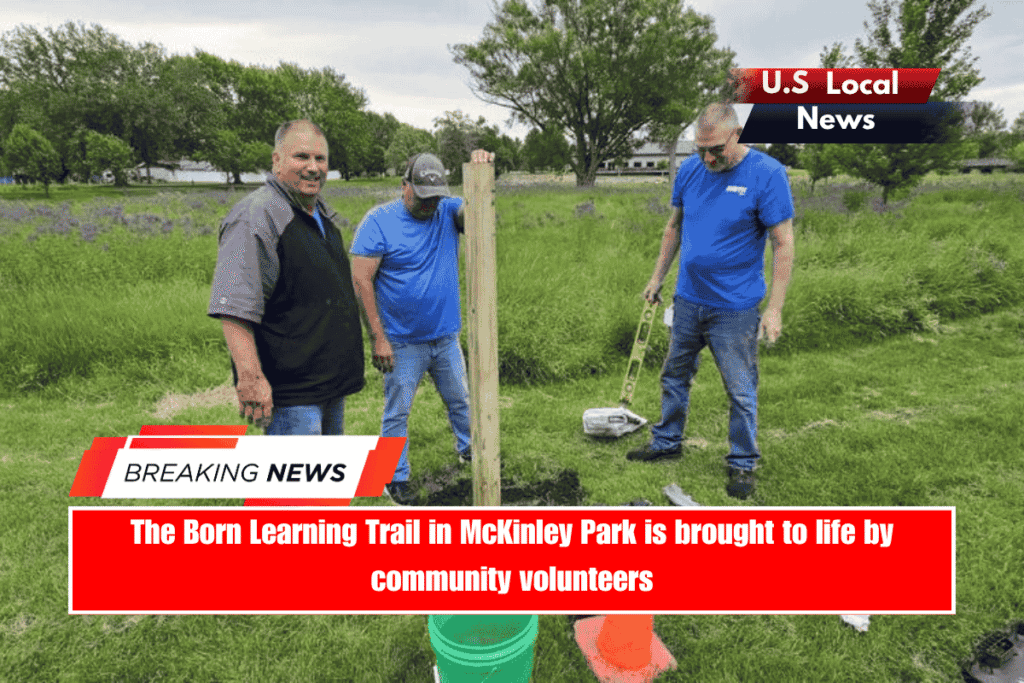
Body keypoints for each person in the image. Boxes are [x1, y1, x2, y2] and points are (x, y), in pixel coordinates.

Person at [627, 103, 795, 500]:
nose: (708, 158)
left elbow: (783, 242)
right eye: (700, 149)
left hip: (734, 308)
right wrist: (656, 278)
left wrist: (774, 308)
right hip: (688, 300)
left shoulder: (768, 174)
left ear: (738, 135)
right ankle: (667, 442)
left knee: (740, 388)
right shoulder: (690, 170)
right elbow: (674, 227)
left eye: (716, 149)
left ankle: (742, 462)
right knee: (673, 375)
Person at [351, 149, 494, 505]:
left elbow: (477, 215)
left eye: (436, 198)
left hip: (445, 337)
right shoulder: (378, 221)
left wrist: (482, 174)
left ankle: (470, 450)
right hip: (401, 342)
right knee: (397, 411)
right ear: (405, 186)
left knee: (461, 400)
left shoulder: (447, 210)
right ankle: (394, 476)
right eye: (423, 197)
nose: (430, 205)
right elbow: (360, 281)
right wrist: (378, 338)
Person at [208, 119, 364, 435]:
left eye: (320, 159)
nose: (313, 167)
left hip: (327, 385)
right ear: (277, 160)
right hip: (293, 396)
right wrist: (250, 378)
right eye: (301, 157)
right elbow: (234, 307)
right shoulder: (256, 216)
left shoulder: (316, 213)